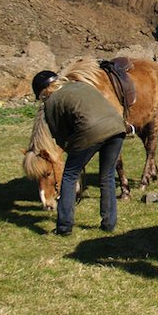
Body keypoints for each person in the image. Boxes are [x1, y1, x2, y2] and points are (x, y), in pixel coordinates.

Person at [32, 70, 127, 235]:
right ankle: (109, 224)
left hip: (90, 131)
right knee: (107, 176)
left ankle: (64, 226)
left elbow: (59, 134)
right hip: (117, 127)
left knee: (69, 175)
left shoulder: (51, 101)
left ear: (43, 91)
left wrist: (70, 150)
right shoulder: (80, 85)